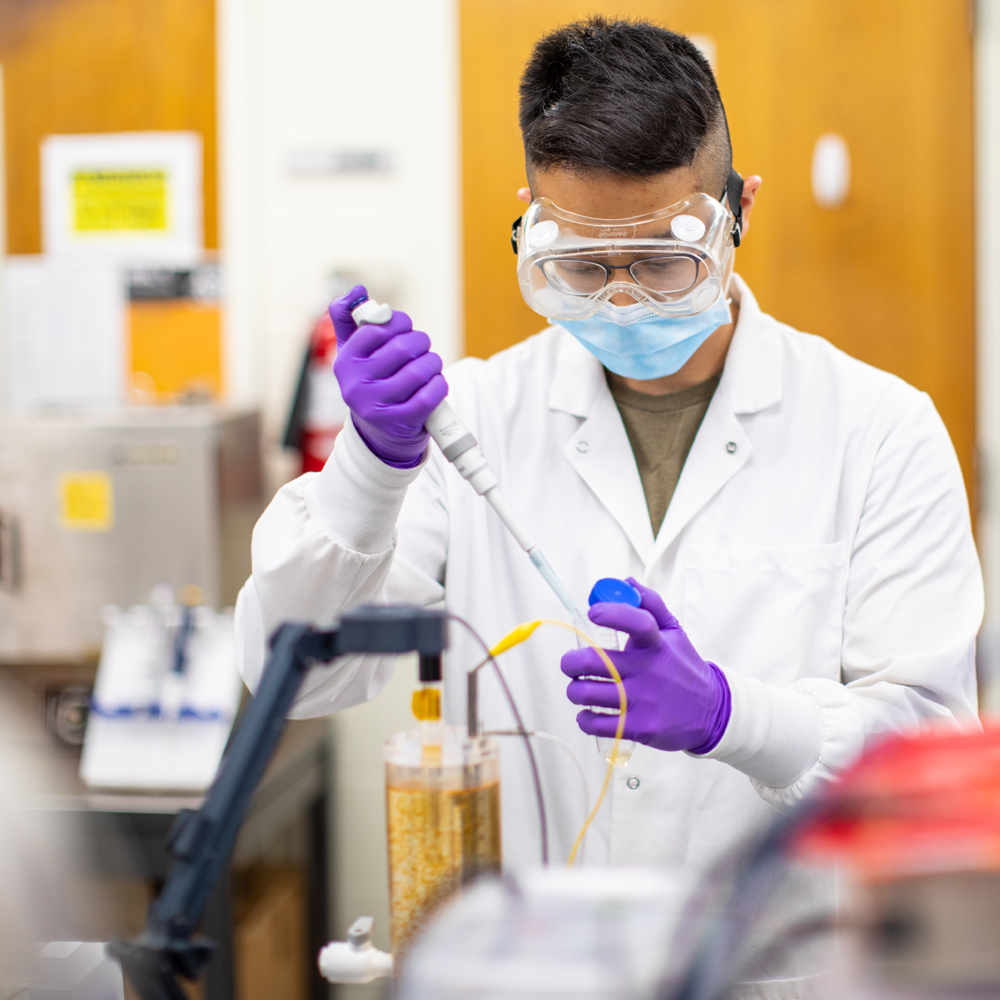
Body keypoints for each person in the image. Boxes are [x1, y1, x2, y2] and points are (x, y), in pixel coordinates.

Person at [236, 18, 981, 880]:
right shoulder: (472, 417)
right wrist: (369, 468)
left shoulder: (880, 430)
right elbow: (292, 675)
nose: (623, 301)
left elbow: (932, 764)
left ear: (739, 212)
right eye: (586, 265)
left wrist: (735, 718)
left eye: (664, 262)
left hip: (765, 959)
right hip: (542, 957)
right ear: (534, 227)